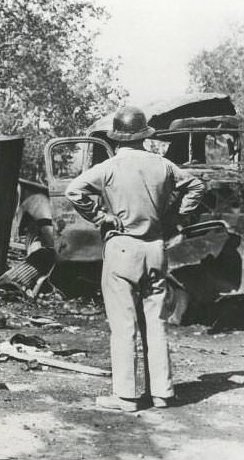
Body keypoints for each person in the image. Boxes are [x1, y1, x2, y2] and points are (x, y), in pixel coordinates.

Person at [65, 105, 204, 412]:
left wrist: (102, 217)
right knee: (155, 323)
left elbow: (74, 191)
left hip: (123, 249)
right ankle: (162, 393)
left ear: (116, 138)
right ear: (144, 136)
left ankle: (126, 396)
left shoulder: (110, 167)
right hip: (156, 248)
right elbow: (195, 186)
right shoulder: (163, 165)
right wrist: (176, 217)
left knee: (124, 324)